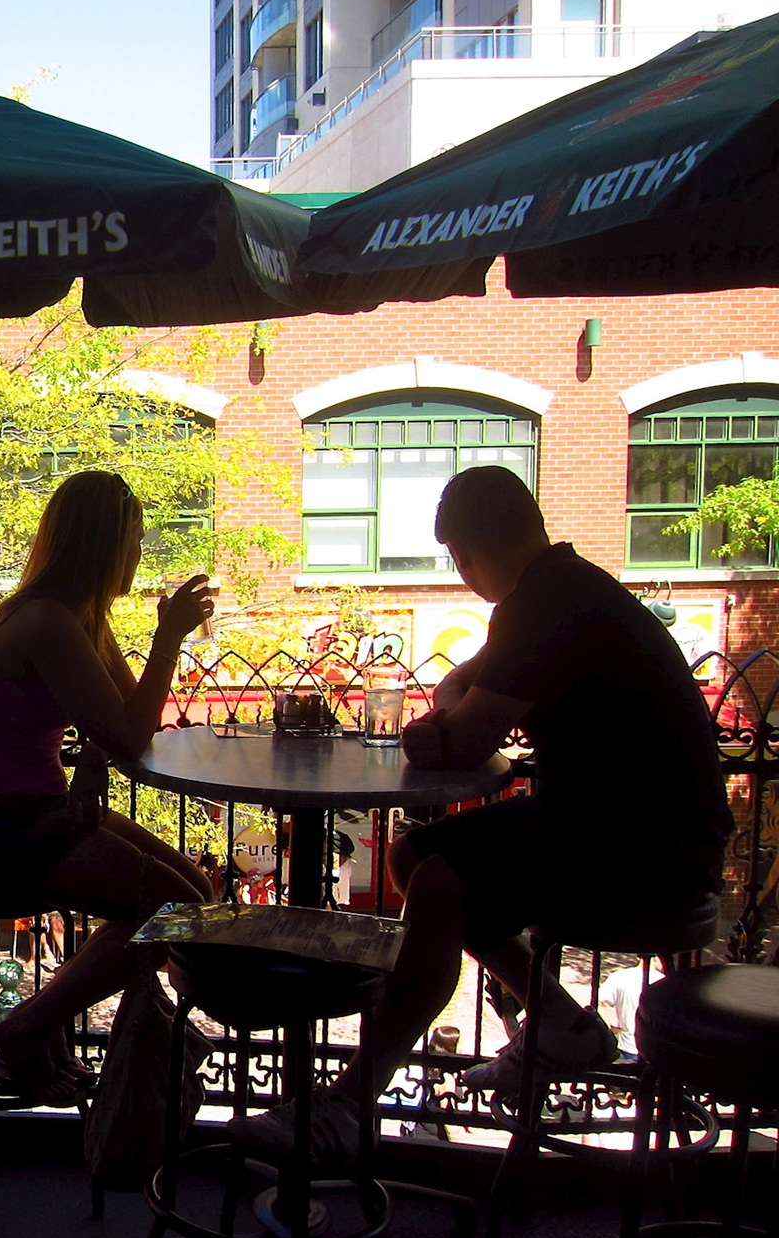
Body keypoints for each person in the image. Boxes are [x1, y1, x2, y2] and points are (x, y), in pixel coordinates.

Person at [233, 466, 730, 1157]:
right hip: (625, 827)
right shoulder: (562, 589)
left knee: (438, 880)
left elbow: (464, 738)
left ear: (465, 554)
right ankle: (561, 1024)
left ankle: (348, 1104)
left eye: (458, 562)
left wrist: (446, 728)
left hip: (647, 848)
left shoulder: (543, 604)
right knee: (412, 856)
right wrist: (451, 716)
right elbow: (464, 684)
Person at [0, 469, 218, 1105]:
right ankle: (20, 1033)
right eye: (133, 541)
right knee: (176, 914)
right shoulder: (47, 622)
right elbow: (132, 731)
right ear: (102, 546)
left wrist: (95, 751)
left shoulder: (79, 616)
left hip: (32, 806)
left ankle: (39, 1028)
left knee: (194, 897)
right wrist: (167, 639)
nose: (139, 555)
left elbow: (116, 719)